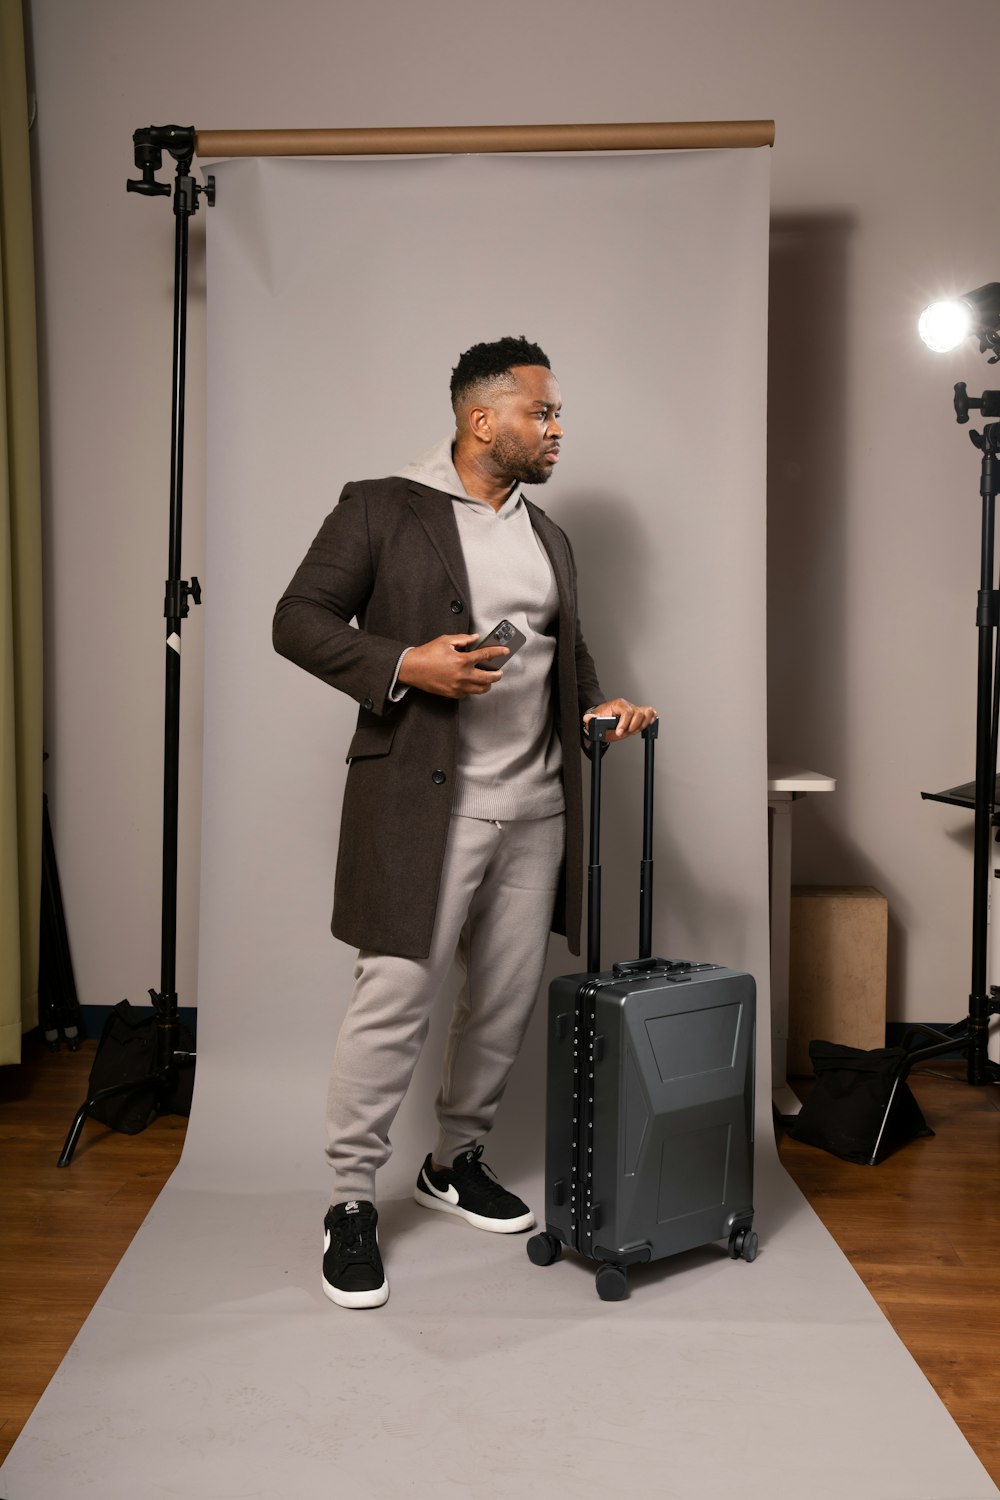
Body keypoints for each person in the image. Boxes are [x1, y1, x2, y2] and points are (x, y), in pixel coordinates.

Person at [273, 336, 655, 1309]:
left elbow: (572, 660)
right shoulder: (380, 507)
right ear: (482, 419)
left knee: (504, 1000)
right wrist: (406, 665)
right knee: (393, 998)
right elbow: (298, 618)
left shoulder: (549, 536)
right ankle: (351, 1202)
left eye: (559, 414)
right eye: (543, 412)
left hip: (536, 809)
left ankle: (454, 1162)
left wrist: (601, 713)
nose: (558, 429)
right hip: (420, 808)